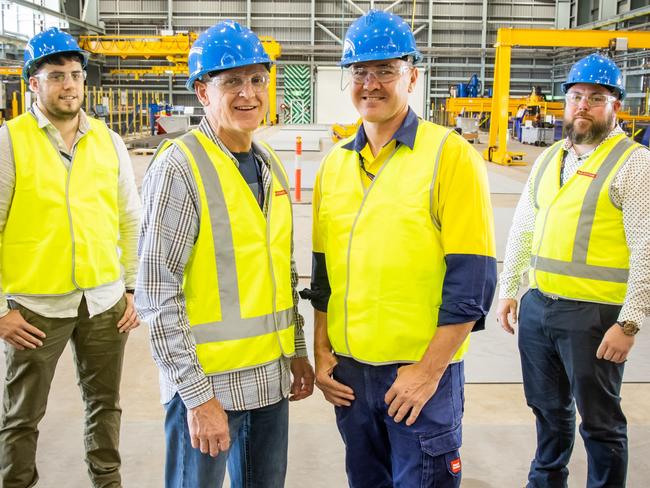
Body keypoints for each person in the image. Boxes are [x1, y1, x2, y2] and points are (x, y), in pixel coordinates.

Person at [302, 10, 496, 488]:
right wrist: (322, 351)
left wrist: (428, 372)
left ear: (412, 75)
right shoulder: (333, 167)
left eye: (385, 70)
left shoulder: (450, 157)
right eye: (360, 71)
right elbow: (324, 276)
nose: (371, 83)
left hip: (419, 375)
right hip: (351, 377)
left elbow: (473, 284)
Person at [135, 21, 314, 488]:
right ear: (202, 91)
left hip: (269, 383)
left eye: (257, 79)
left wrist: (295, 351)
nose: (248, 93)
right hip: (208, 388)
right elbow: (157, 294)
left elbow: (282, 271)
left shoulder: (269, 163)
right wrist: (196, 397)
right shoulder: (180, 166)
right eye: (231, 81)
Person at [497, 53, 650, 488]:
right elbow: (524, 225)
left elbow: (647, 246)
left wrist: (630, 322)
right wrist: (511, 288)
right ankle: (546, 481)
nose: (583, 106)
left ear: (615, 106)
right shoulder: (548, 158)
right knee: (548, 411)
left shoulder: (634, 163)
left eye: (595, 98)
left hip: (595, 317)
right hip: (539, 308)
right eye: (576, 96)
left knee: (600, 423)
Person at [0, 27, 141, 488]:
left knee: (106, 405)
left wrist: (132, 288)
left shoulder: (109, 140)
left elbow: (129, 219)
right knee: (21, 416)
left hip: (103, 304)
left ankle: (107, 482)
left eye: (76, 75)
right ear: (33, 84)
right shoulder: (10, 141)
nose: (69, 85)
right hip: (35, 309)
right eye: (57, 76)